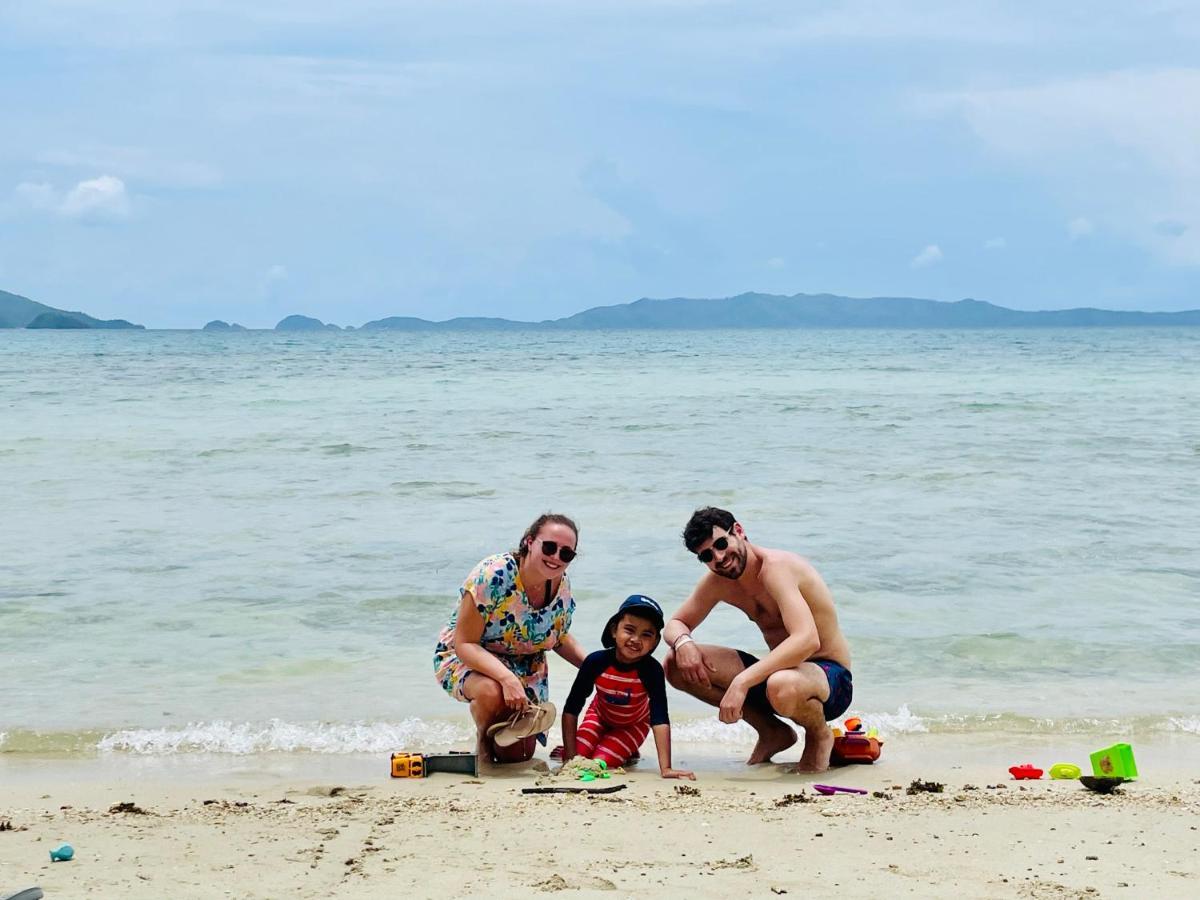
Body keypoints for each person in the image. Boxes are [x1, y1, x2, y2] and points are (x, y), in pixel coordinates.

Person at [663, 507, 853, 772]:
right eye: (707, 555)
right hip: (779, 676)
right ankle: (772, 731)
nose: (719, 557)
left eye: (721, 544)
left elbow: (807, 640)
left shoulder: (776, 569)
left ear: (738, 531)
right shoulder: (719, 582)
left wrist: (742, 682)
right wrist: (684, 643)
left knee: (781, 684)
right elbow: (675, 624)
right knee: (674, 664)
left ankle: (819, 734)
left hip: (829, 678)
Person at [433, 513, 587, 764]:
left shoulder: (561, 584)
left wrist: (598, 667)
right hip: (469, 657)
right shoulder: (493, 575)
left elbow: (556, 637)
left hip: (526, 667)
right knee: (491, 691)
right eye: (549, 547)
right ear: (529, 542)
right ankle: (482, 742)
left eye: (566, 554)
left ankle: (500, 733)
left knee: (516, 756)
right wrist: (507, 679)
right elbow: (465, 643)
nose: (556, 557)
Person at [560, 595, 695, 780]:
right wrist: (569, 754)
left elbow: (659, 717)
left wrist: (666, 768)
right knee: (578, 758)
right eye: (629, 630)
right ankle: (615, 747)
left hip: (633, 725)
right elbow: (572, 708)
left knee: (600, 762)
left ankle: (624, 748)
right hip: (599, 716)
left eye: (646, 635)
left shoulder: (652, 671)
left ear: (655, 642)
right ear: (614, 630)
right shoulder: (595, 662)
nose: (636, 639)